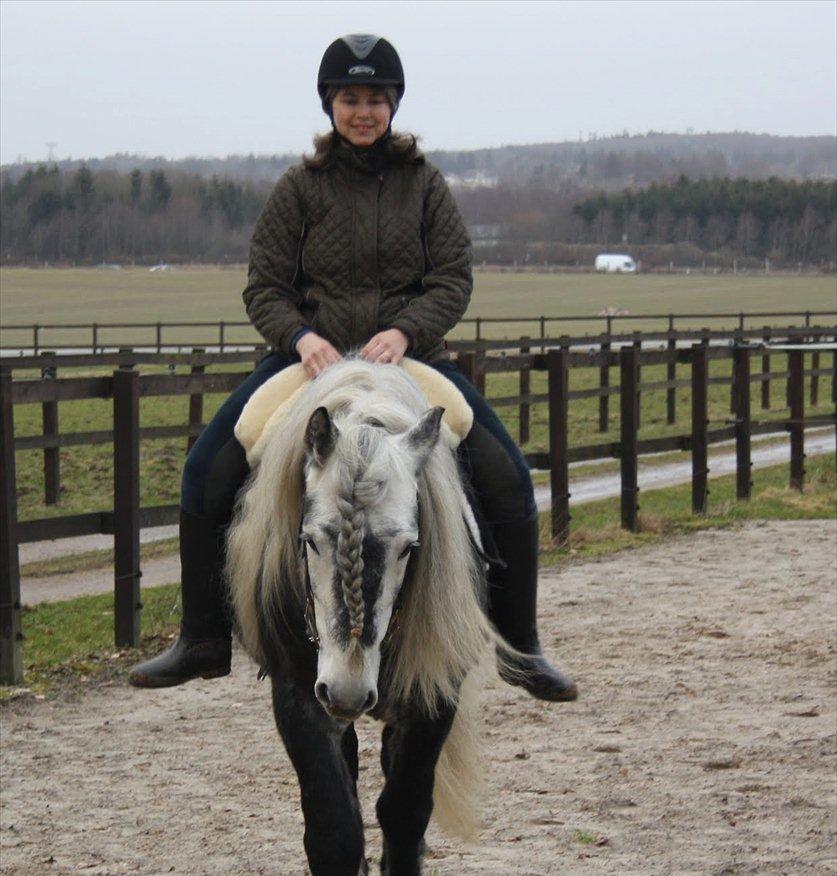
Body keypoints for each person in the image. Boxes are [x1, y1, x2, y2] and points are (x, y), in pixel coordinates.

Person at [129, 34, 577, 702]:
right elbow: (263, 288)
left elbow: (451, 278)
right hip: (309, 364)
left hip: (409, 361)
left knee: (507, 476)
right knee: (205, 468)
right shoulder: (297, 187)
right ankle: (201, 637)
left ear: (392, 104)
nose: (362, 111)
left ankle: (522, 646)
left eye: (374, 98)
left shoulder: (424, 184)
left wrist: (406, 330)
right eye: (349, 98)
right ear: (329, 104)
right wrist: (300, 336)